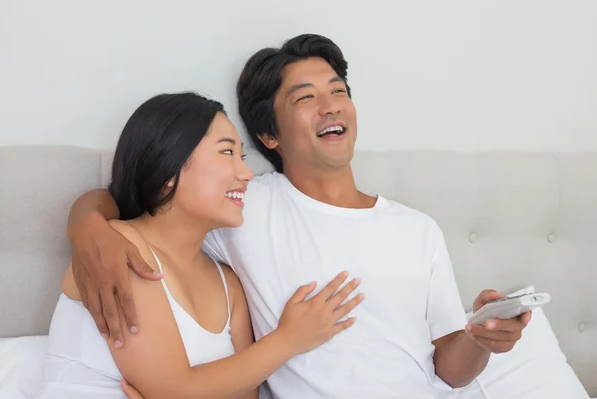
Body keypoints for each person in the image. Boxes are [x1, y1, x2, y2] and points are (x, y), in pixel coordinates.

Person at [66, 34, 531, 399]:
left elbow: (449, 370)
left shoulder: (418, 230)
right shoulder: (243, 204)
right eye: (305, 98)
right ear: (269, 133)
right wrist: (88, 227)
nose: (331, 105)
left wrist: (481, 337)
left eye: (339, 91)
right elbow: (140, 197)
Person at [35, 92, 363, 398]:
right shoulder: (122, 249)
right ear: (169, 170)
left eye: (242, 155)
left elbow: (245, 393)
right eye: (226, 152)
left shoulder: (228, 284)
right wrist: (289, 339)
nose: (247, 173)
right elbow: (175, 390)